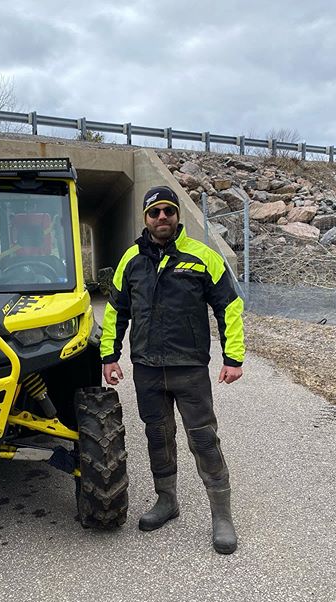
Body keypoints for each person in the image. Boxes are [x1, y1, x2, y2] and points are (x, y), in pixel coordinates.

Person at [100, 185, 245, 554]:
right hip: (147, 369)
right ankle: (167, 501)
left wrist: (234, 358)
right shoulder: (130, 260)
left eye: (168, 211)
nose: (162, 218)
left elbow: (229, 306)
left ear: (178, 216)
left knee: (203, 440)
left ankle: (222, 516)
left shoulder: (202, 257)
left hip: (189, 368)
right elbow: (116, 310)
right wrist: (109, 356)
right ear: (145, 218)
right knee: (158, 436)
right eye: (154, 212)